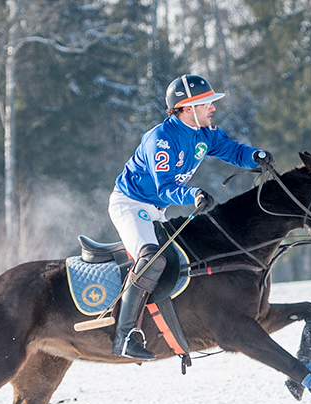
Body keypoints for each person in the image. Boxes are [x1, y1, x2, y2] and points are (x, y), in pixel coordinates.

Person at [109, 74, 274, 360]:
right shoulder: (160, 140)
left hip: (157, 210)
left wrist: (255, 156)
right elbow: (166, 187)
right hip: (130, 205)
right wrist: (193, 195)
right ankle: (124, 337)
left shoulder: (205, 132)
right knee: (151, 257)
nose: (212, 108)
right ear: (186, 108)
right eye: (206, 103)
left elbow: (232, 150)